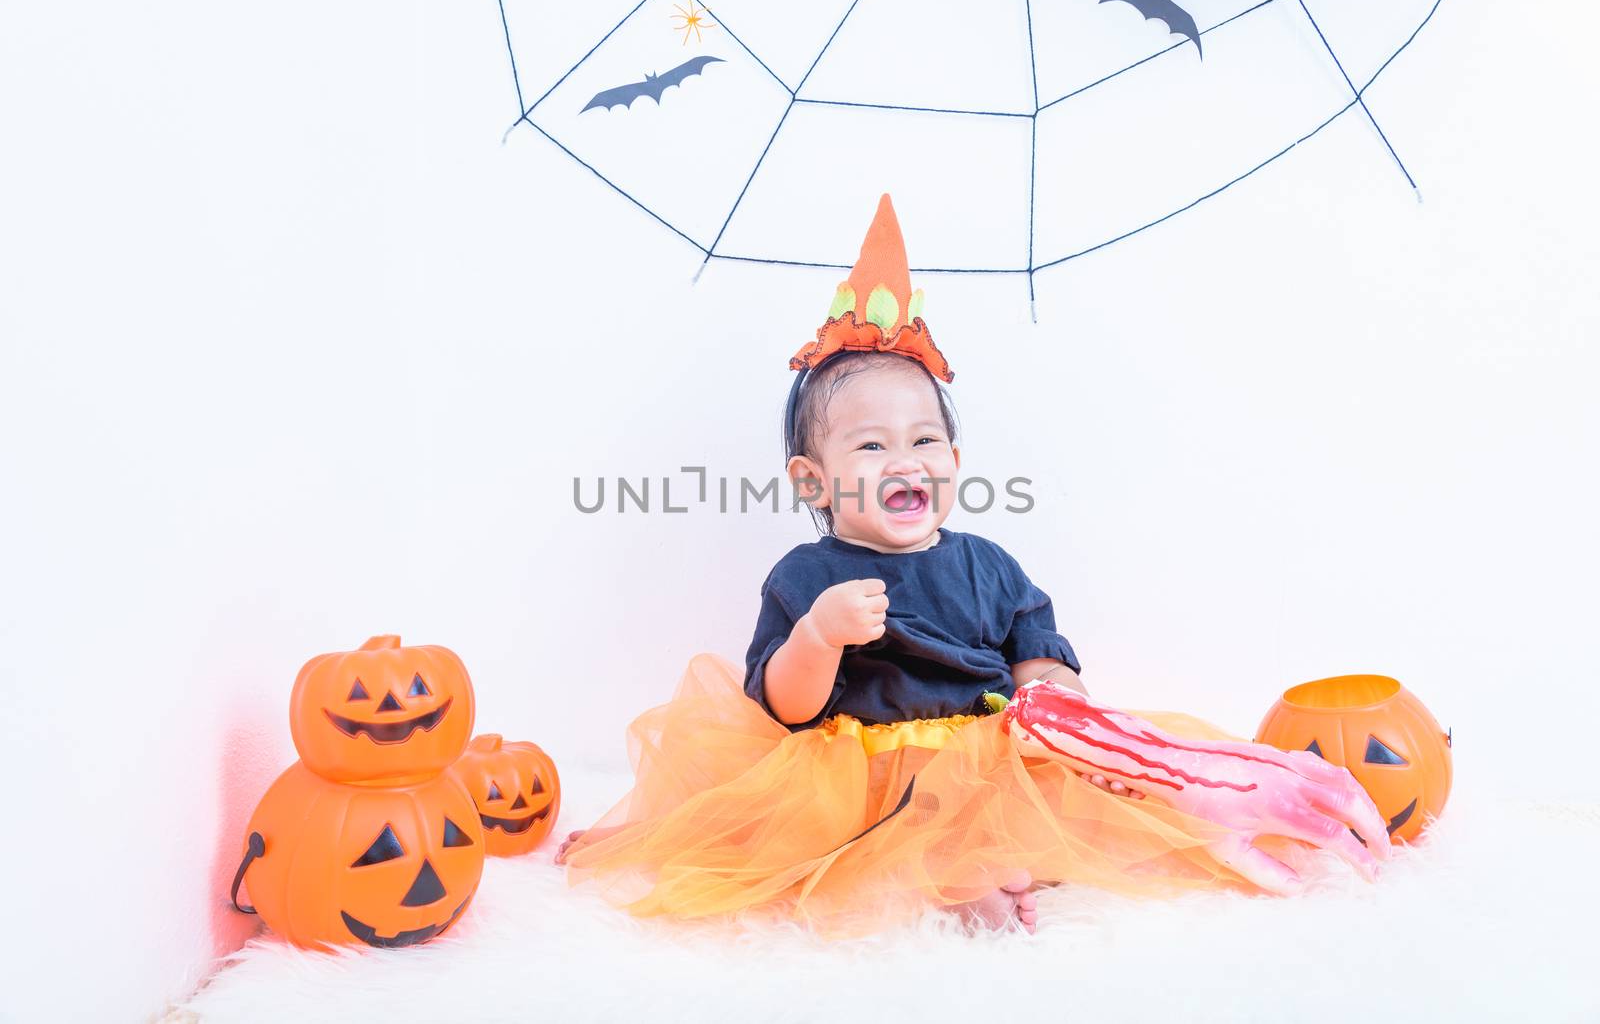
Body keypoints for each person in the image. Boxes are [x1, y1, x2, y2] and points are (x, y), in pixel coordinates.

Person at [556, 195, 1382, 936]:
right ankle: (958, 882)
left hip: (992, 753)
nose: (903, 460)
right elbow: (786, 709)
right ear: (814, 480)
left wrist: (1052, 691)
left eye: (923, 442)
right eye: (871, 446)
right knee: (869, 843)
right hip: (869, 772)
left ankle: (1000, 860)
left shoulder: (987, 563)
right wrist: (818, 637)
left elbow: (1036, 642)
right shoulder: (807, 578)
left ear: (952, 458)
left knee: (1085, 813)